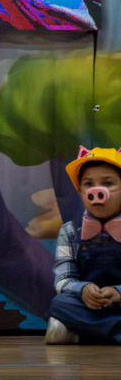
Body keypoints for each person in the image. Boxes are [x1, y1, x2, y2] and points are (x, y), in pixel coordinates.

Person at [45, 146, 121, 344]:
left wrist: (117, 291)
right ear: (80, 192)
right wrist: (84, 289)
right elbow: (63, 279)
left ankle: (81, 334)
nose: (97, 191)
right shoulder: (70, 231)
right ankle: (113, 332)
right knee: (59, 303)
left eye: (108, 183)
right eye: (88, 184)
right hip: (89, 304)